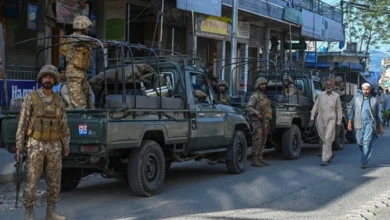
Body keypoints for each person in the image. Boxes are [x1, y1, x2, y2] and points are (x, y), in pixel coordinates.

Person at [15, 65, 70, 220]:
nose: (48, 79)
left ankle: (51, 212)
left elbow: (64, 125)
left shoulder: (59, 100)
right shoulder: (31, 98)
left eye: (51, 77)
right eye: (45, 77)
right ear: (41, 79)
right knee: (31, 182)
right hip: (35, 145)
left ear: (54, 80)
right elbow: (22, 122)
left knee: (55, 182)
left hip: (54, 146)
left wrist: (66, 144)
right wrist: (19, 145)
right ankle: (29, 213)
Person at [60, 15, 104, 109]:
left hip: (81, 73)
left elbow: (94, 44)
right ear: (83, 26)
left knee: (89, 102)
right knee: (78, 104)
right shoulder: (75, 38)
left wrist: (106, 43)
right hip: (74, 74)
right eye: (87, 27)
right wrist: (103, 43)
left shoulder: (83, 40)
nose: (89, 29)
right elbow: (93, 42)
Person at [348, 83, 384, 169]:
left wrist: (380, 126)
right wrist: (349, 122)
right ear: (362, 89)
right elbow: (352, 111)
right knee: (360, 141)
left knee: (366, 142)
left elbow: (378, 114)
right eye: (364, 89)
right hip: (358, 123)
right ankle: (365, 153)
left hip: (369, 123)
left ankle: (364, 161)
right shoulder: (357, 99)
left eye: (367, 89)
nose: (366, 91)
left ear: (370, 89)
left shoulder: (374, 100)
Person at [310, 78, 342, 166]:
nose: (328, 87)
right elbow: (315, 106)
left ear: (333, 86)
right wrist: (312, 117)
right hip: (320, 119)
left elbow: (339, 110)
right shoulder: (320, 95)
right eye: (327, 85)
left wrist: (338, 122)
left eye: (330, 85)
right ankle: (329, 154)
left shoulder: (336, 96)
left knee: (328, 137)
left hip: (331, 119)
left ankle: (324, 159)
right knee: (324, 139)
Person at [246, 77, 272, 167]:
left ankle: (260, 158)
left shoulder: (264, 96)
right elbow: (248, 107)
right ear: (258, 85)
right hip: (256, 121)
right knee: (257, 140)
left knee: (263, 140)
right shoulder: (255, 96)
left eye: (265, 84)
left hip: (265, 121)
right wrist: (257, 113)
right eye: (262, 84)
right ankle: (254, 159)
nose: (264, 86)